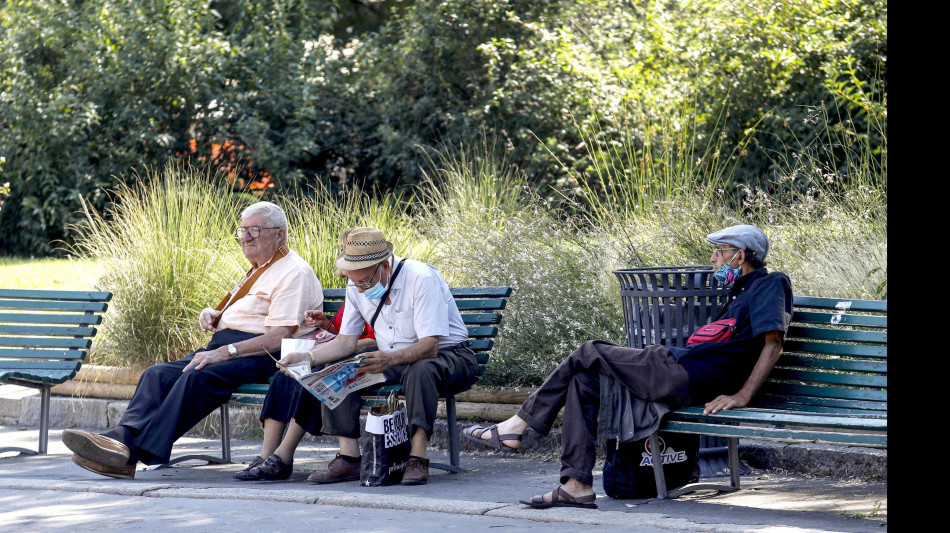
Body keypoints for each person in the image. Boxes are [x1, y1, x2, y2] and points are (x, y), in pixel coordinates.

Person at [463, 224, 792, 509]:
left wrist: (742, 396)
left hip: (683, 373)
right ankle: (575, 486)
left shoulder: (771, 284)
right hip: (681, 368)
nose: (713, 259)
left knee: (589, 350)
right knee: (584, 379)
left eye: (720, 251)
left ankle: (517, 426)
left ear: (742, 255)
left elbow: (773, 344)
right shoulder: (739, 292)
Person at [62, 201, 322, 479]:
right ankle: (120, 440)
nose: (245, 237)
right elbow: (253, 312)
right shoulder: (261, 268)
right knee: (157, 374)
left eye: (255, 230)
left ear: (279, 234)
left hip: (262, 356)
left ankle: (127, 454)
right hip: (229, 347)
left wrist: (225, 352)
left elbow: (277, 337)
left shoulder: (294, 272)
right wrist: (215, 315)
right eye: (243, 230)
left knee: (195, 375)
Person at [277, 226, 477, 486]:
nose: (359, 290)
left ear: (384, 266)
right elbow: (346, 342)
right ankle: (349, 457)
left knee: (421, 369)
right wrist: (307, 358)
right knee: (342, 366)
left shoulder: (420, 278)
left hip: (449, 357)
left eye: (365, 282)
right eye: (354, 282)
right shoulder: (356, 283)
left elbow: (429, 346)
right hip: (394, 356)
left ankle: (417, 458)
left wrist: (389, 359)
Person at [233, 229, 377, 481]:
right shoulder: (355, 285)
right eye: (343, 249)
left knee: (312, 377)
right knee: (285, 375)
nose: (343, 255)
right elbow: (343, 333)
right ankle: (267, 455)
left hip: (364, 354)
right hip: (340, 349)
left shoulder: (373, 283)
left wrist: (341, 345)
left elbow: (375, 339)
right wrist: (325, 325)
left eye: (346, 250)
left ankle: (283, 456)